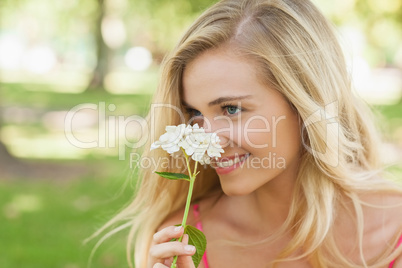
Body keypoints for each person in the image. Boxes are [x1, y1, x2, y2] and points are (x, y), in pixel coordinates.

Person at [95, 0, 402, 267]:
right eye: (195, 114)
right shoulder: (183, 237)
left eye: (231, 109)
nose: (207, 142)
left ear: (305, 103)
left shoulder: (393, 234)